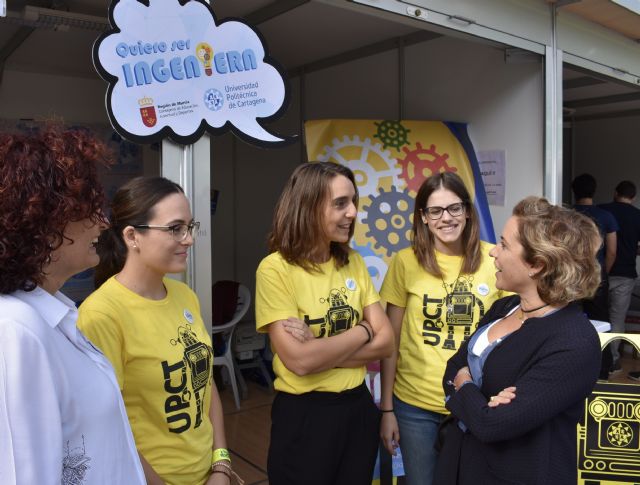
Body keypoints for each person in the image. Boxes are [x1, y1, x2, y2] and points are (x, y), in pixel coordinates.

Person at [0, 127, 146, 484]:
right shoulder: (15, 330)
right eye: (88, 208)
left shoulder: (54, 314)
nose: (103, 222)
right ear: (42, 221)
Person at [78, 177, 235, 485]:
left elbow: (205, 385)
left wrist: (221, 465)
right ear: (132, 236)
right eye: (175, 228)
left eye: (190, 227)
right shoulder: (101, 315)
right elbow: (106, 426)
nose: (189, 239)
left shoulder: (184, 296)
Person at [434, 196, 602, 485]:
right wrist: (477, 396)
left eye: (504, 244)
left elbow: (492, 424)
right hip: (460, 465)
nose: (493, 253)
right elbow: (453, 366)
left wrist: (465, 384)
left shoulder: (574, 341)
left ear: (536, 264)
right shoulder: (506, 306)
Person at [255, 162, 394, 485]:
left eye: (353, 202)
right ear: (308, 206)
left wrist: (319, 348)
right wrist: (363, 330)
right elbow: (300, 362)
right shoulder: (275, 270)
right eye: (340, 203)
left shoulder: (353, 263)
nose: (353, 213)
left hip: (358, 408)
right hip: (305, 417)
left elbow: (386, 342)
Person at [378, 172, 505, 485]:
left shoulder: (494, 261)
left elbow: (510, 335)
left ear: (467, 212)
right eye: (435, 211)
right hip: (414, 407)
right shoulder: (405, 262)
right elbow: (390, 342)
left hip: (476, 403)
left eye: (454, 208)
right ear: (423, 217)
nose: (446, 218)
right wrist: (387, 409)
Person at [571, 173, 618, 378]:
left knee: (568, 322)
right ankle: (604, 368)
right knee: (602, 322)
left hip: (570, 278)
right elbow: (612, 251)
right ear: (594, 191)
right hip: (597, 277)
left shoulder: (566, 215)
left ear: (573, 192)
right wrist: (602, 271)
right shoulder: (606, 216)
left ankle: (573, 367)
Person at [600, 180, 640, 374]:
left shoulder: (602, 210)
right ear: (633, 197)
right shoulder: (637, 216)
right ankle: (613, 360)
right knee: (617, 318)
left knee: (597, 316)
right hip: (626, 274)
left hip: (601, 272)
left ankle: (596, 359)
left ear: (616, 192)